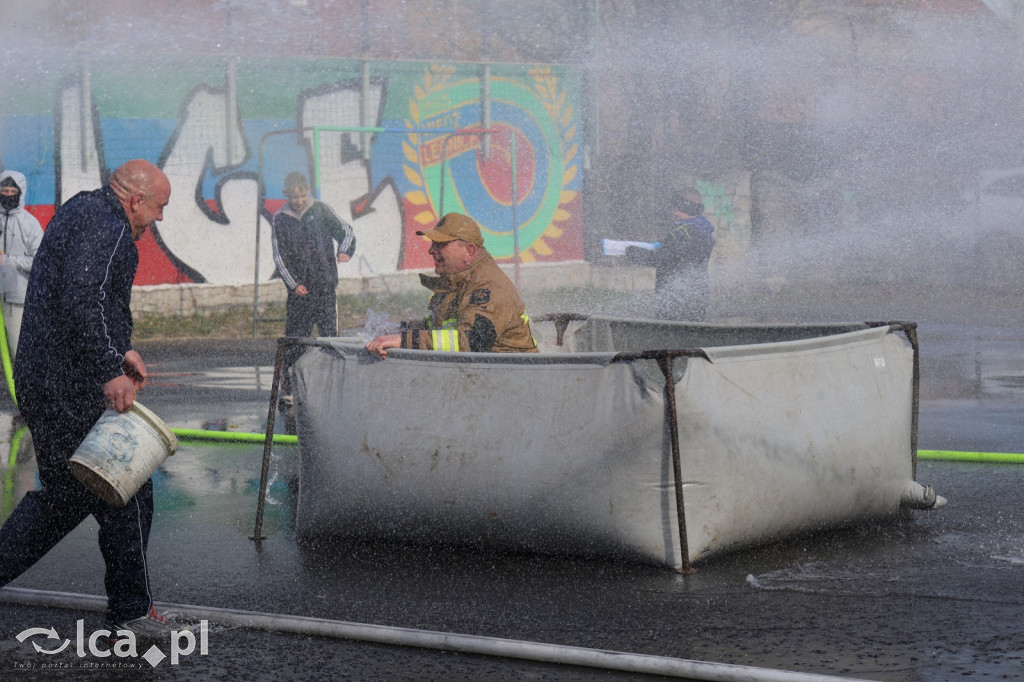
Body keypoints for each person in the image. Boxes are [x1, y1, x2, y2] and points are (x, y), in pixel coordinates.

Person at [0, 159, 180, 642]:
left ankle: (130, 607)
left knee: (88, 496)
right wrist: (108, 370)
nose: (159, 218)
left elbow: (85, 296)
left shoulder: (81, 209)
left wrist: (120, 350)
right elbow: (83, 298)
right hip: (67, 386)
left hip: (45, 380)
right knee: (116, 492)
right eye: (159, 207)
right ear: (135, 199)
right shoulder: (111, 227)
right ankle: (131, 611)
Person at [366, 212, 537, 358]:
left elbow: (472, 341)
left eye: (441, 244)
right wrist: (397, 329)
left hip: (513, 377)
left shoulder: (490, 287)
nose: (431, 250)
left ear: (468, 251)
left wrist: (404, 341)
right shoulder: (459, 281)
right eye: (433, 243)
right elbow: (440, 326)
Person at [271, 171, 356, 341]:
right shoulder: (280, 218)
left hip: (325, 285)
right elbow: (279, 256)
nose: (300, 201)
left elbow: (345, 230)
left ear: (308, 190)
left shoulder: (320, 209)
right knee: (296, 339)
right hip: (300, 291)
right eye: (295, 197)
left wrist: (344, 250)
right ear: (285, 194)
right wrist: (294, 284)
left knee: (331, 337)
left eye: (303, 196)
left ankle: (332, 365)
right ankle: (293, 367)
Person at [626, 187, 715, 321]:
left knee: (667, 335)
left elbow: (662, 259)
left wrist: (633, 252)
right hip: (697, 295)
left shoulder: (681, 232)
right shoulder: (704, 229)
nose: (674, 212)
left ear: (687, 208)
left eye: (677, 208)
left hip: (675, 299)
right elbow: (678, 256)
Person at [0, 171, 44, 358]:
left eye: (12, 191)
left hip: (16, 299)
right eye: (4, 190)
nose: (8, 195)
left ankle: (20, 387)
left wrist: (9, 260)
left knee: (18, 352)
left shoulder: (30, 224)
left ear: (20, 192)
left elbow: (40, 261)